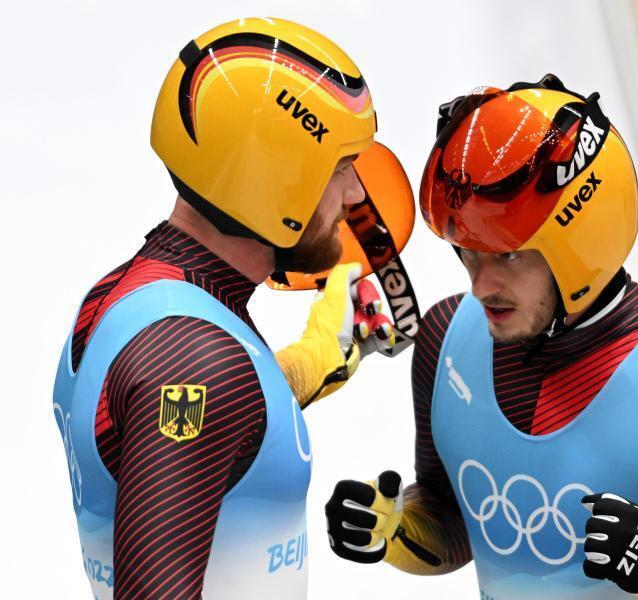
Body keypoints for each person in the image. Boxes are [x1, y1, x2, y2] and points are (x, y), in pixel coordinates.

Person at [325, 75, 638, 599]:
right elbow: (463, 523)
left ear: (580, 243)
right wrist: (394, 531)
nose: (480, 286)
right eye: (467, 252)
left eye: (507, 255)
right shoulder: (444, 340)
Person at [51, 17, 404, 600]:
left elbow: (231, 424)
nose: (356, 195)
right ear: (275, 180)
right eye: (340, 169)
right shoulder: (194, 363)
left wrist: (324, 347)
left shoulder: (132, 298)